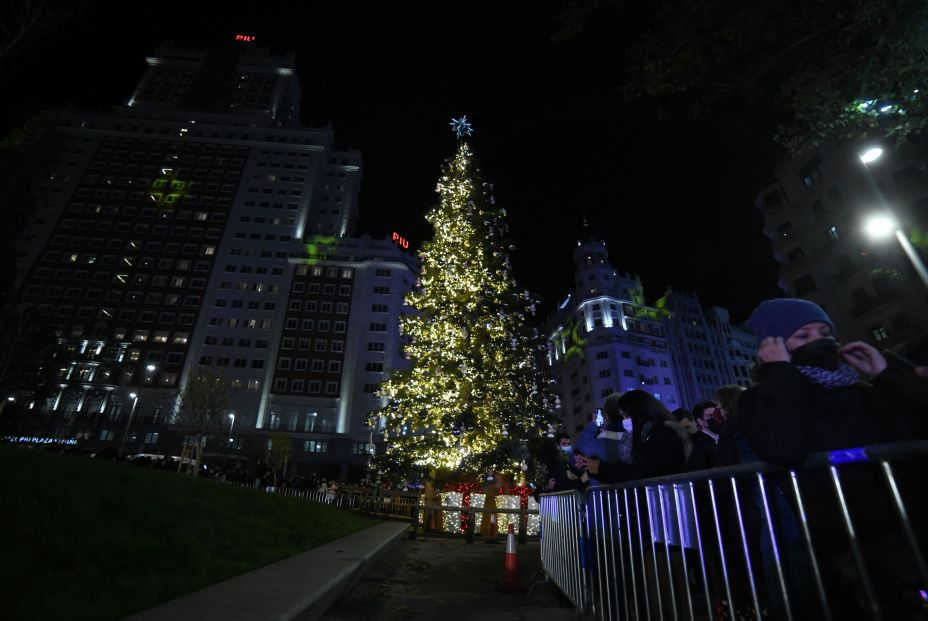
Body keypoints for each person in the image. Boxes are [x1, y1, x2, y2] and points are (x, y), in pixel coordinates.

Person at [739, 297, 928, 619]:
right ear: (773, 346)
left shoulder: (862, 389)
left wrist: (887, 372)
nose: (818, 341)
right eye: (803, 336)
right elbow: (782, 448)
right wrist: (779, 373)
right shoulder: (764, 397)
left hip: (909, 524)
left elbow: (917, 429)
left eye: (824, 332)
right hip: (843, 542)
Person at [576, 390, 691, 484]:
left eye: (627, 415)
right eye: (623, 416)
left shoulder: (663, 434)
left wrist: (600, 468)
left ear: (640, 412)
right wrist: (595, 468)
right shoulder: (644, 435)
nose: (625, 420)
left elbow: (643, 472)